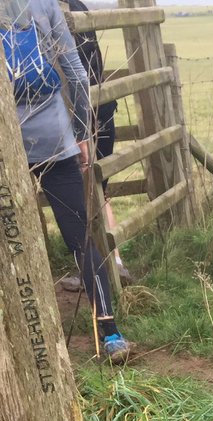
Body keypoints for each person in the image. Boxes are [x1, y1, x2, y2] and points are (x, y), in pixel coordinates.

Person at [1, 0, 131, 363]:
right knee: (79, 236)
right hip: (55, 139)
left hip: (7, 143)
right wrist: (81, 133)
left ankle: (18, 336)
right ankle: (110, 332)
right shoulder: (44, 5)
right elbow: (75, 73)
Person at [60, 0, 131, 286]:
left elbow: (72, 74)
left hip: (78, 111)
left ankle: (94, 271)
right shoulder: (78, 6)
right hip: (101, 105)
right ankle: (115, 263)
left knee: (81, 190)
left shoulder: (52, 11)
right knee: (99, 188)